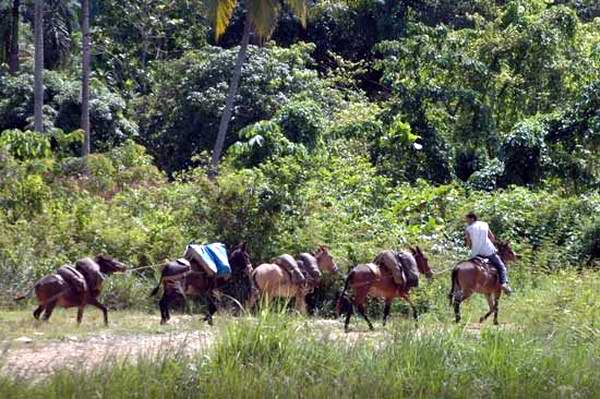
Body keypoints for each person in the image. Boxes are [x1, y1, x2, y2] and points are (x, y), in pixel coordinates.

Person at [464, 211, 512, 295]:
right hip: (488, 251)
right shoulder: (485, 224)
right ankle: (504, 283)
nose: (467, 221)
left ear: (472, 218)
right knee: (501, 266)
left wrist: (469, 247)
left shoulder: (468, 229)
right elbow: (492, 237)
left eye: (467, 219)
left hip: (476, 253)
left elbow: (468, 244)